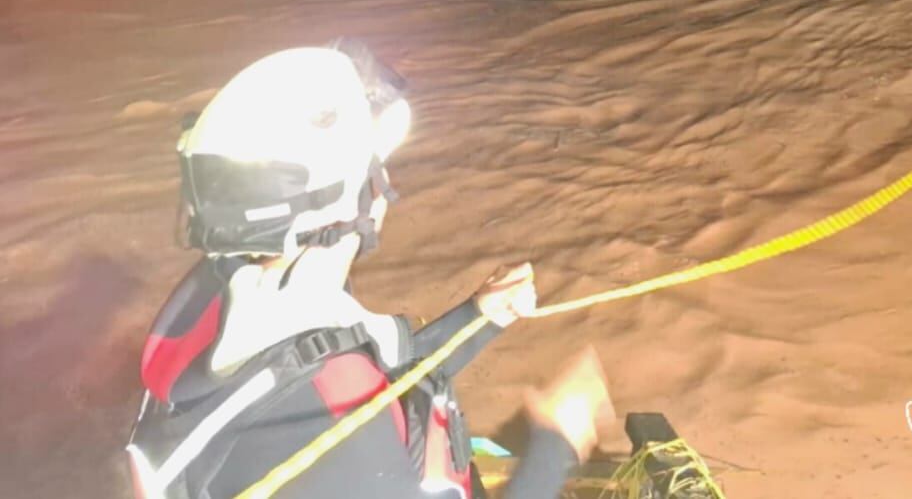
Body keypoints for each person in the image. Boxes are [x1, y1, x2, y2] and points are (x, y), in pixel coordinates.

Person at [126, 40, 611, 499]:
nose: (384, 189)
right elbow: (338, 410)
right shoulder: (337, 447)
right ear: (343, 208)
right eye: (375, 172)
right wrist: (555, 442)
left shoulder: (232, 295)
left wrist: (479, 317)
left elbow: (361, 376)